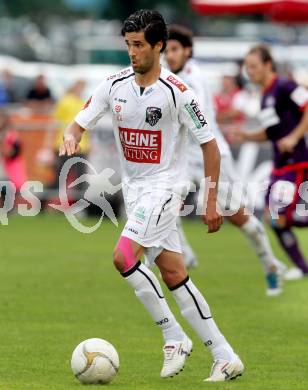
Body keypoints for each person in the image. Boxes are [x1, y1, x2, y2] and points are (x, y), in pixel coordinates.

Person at [59, 10, 244, 382]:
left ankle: (173, 336)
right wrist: (71, 134)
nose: (132, 52)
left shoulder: (179, 94)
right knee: (174, 272)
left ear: (159, 45)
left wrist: (209, 200)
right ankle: (224, 356)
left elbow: (210, 146)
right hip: (136, 191)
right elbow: (80, 120)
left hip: (166, 188)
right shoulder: (114, 85)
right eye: (128, 44)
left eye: (139, 45)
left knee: (123, 256)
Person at [164, 25, 286, 296]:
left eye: (174, 49)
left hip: (212, 153)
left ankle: (270, 264)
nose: (169, 55)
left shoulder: (191, 79)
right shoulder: (171, 77)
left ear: (187, 51)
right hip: (184, 155)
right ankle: (185, 255)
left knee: (238, 216)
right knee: (163, 202)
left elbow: (193, 119)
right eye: (166, 50)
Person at [236, 44, 308, 280]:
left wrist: (294, 137)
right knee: (274, 218)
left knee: (279, 217)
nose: (249, 71)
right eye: (247, 67)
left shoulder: (285, 86)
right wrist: (246, 135)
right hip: (280, 166)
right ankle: (303, 268)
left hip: (295, 163)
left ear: (268, 65)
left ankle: (302, 267)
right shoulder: (265, 95)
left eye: (254, 66)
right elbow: (271, 133)